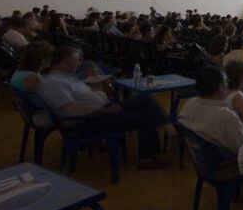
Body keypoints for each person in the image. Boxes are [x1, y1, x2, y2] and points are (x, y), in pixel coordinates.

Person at [38, 46, 170, 168]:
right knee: (145, 114)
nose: (79, 63)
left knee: (145, 98)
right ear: (65, 61)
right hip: (91, 120)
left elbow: (83, 96)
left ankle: (164, 129)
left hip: (102, 111)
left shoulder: (65, 78)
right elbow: (70, 109)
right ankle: (151, 153)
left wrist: (100, 93)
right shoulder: (54, 83)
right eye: (76, 59)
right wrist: (105, 110)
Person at [178, 66, 243, 153]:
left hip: (203, 156)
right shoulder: (227, 116)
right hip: (226, 156)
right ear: (221, 87)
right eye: (226, 83)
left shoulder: (190, 103)